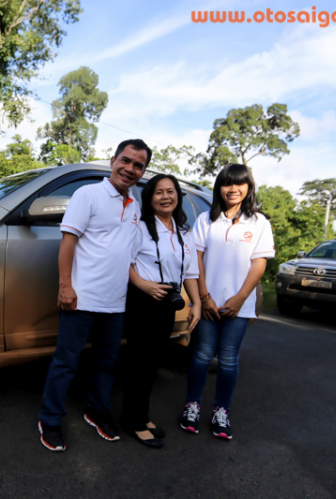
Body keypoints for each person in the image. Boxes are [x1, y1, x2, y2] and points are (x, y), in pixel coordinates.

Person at [38, 139, 151, 452]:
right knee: (66, 363)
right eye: (125, 160)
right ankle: (50, 419)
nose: (130, 169)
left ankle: (97, 410)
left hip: (115, 303)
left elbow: (128, 254)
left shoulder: (136, 207)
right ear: (112, 159)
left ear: (143, 171)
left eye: (138, 165)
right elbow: (68, 241)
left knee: (106, 364)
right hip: (81, 298)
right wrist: (65, 286)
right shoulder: (88, 194)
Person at [180, 163, 275, 441]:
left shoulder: (259, 222)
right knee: (201, 355)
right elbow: (195, 260)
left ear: (248, 188)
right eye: (226, 184)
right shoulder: (206, 220)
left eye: (239, 184)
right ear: (218, 188)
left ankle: (222, 410)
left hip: (239, 306)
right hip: (209, 303)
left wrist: (240, 299)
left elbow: (259, 264)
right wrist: (205, 298)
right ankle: (192, 406)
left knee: (230, 360)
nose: (233, 189)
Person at [121, 174, 201, 448]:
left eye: (170, 191)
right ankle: (133, 422)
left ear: (177, 195)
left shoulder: (183, 232)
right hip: (143, 301)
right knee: (138, 365)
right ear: (150, 198)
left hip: (167, 303)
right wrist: (144, 285)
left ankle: (141, 417)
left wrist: (197, 303)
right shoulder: (140, 228)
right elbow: (124, 262)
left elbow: (190, 271)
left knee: (152, 364)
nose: (165, 196)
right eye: (158, 192)